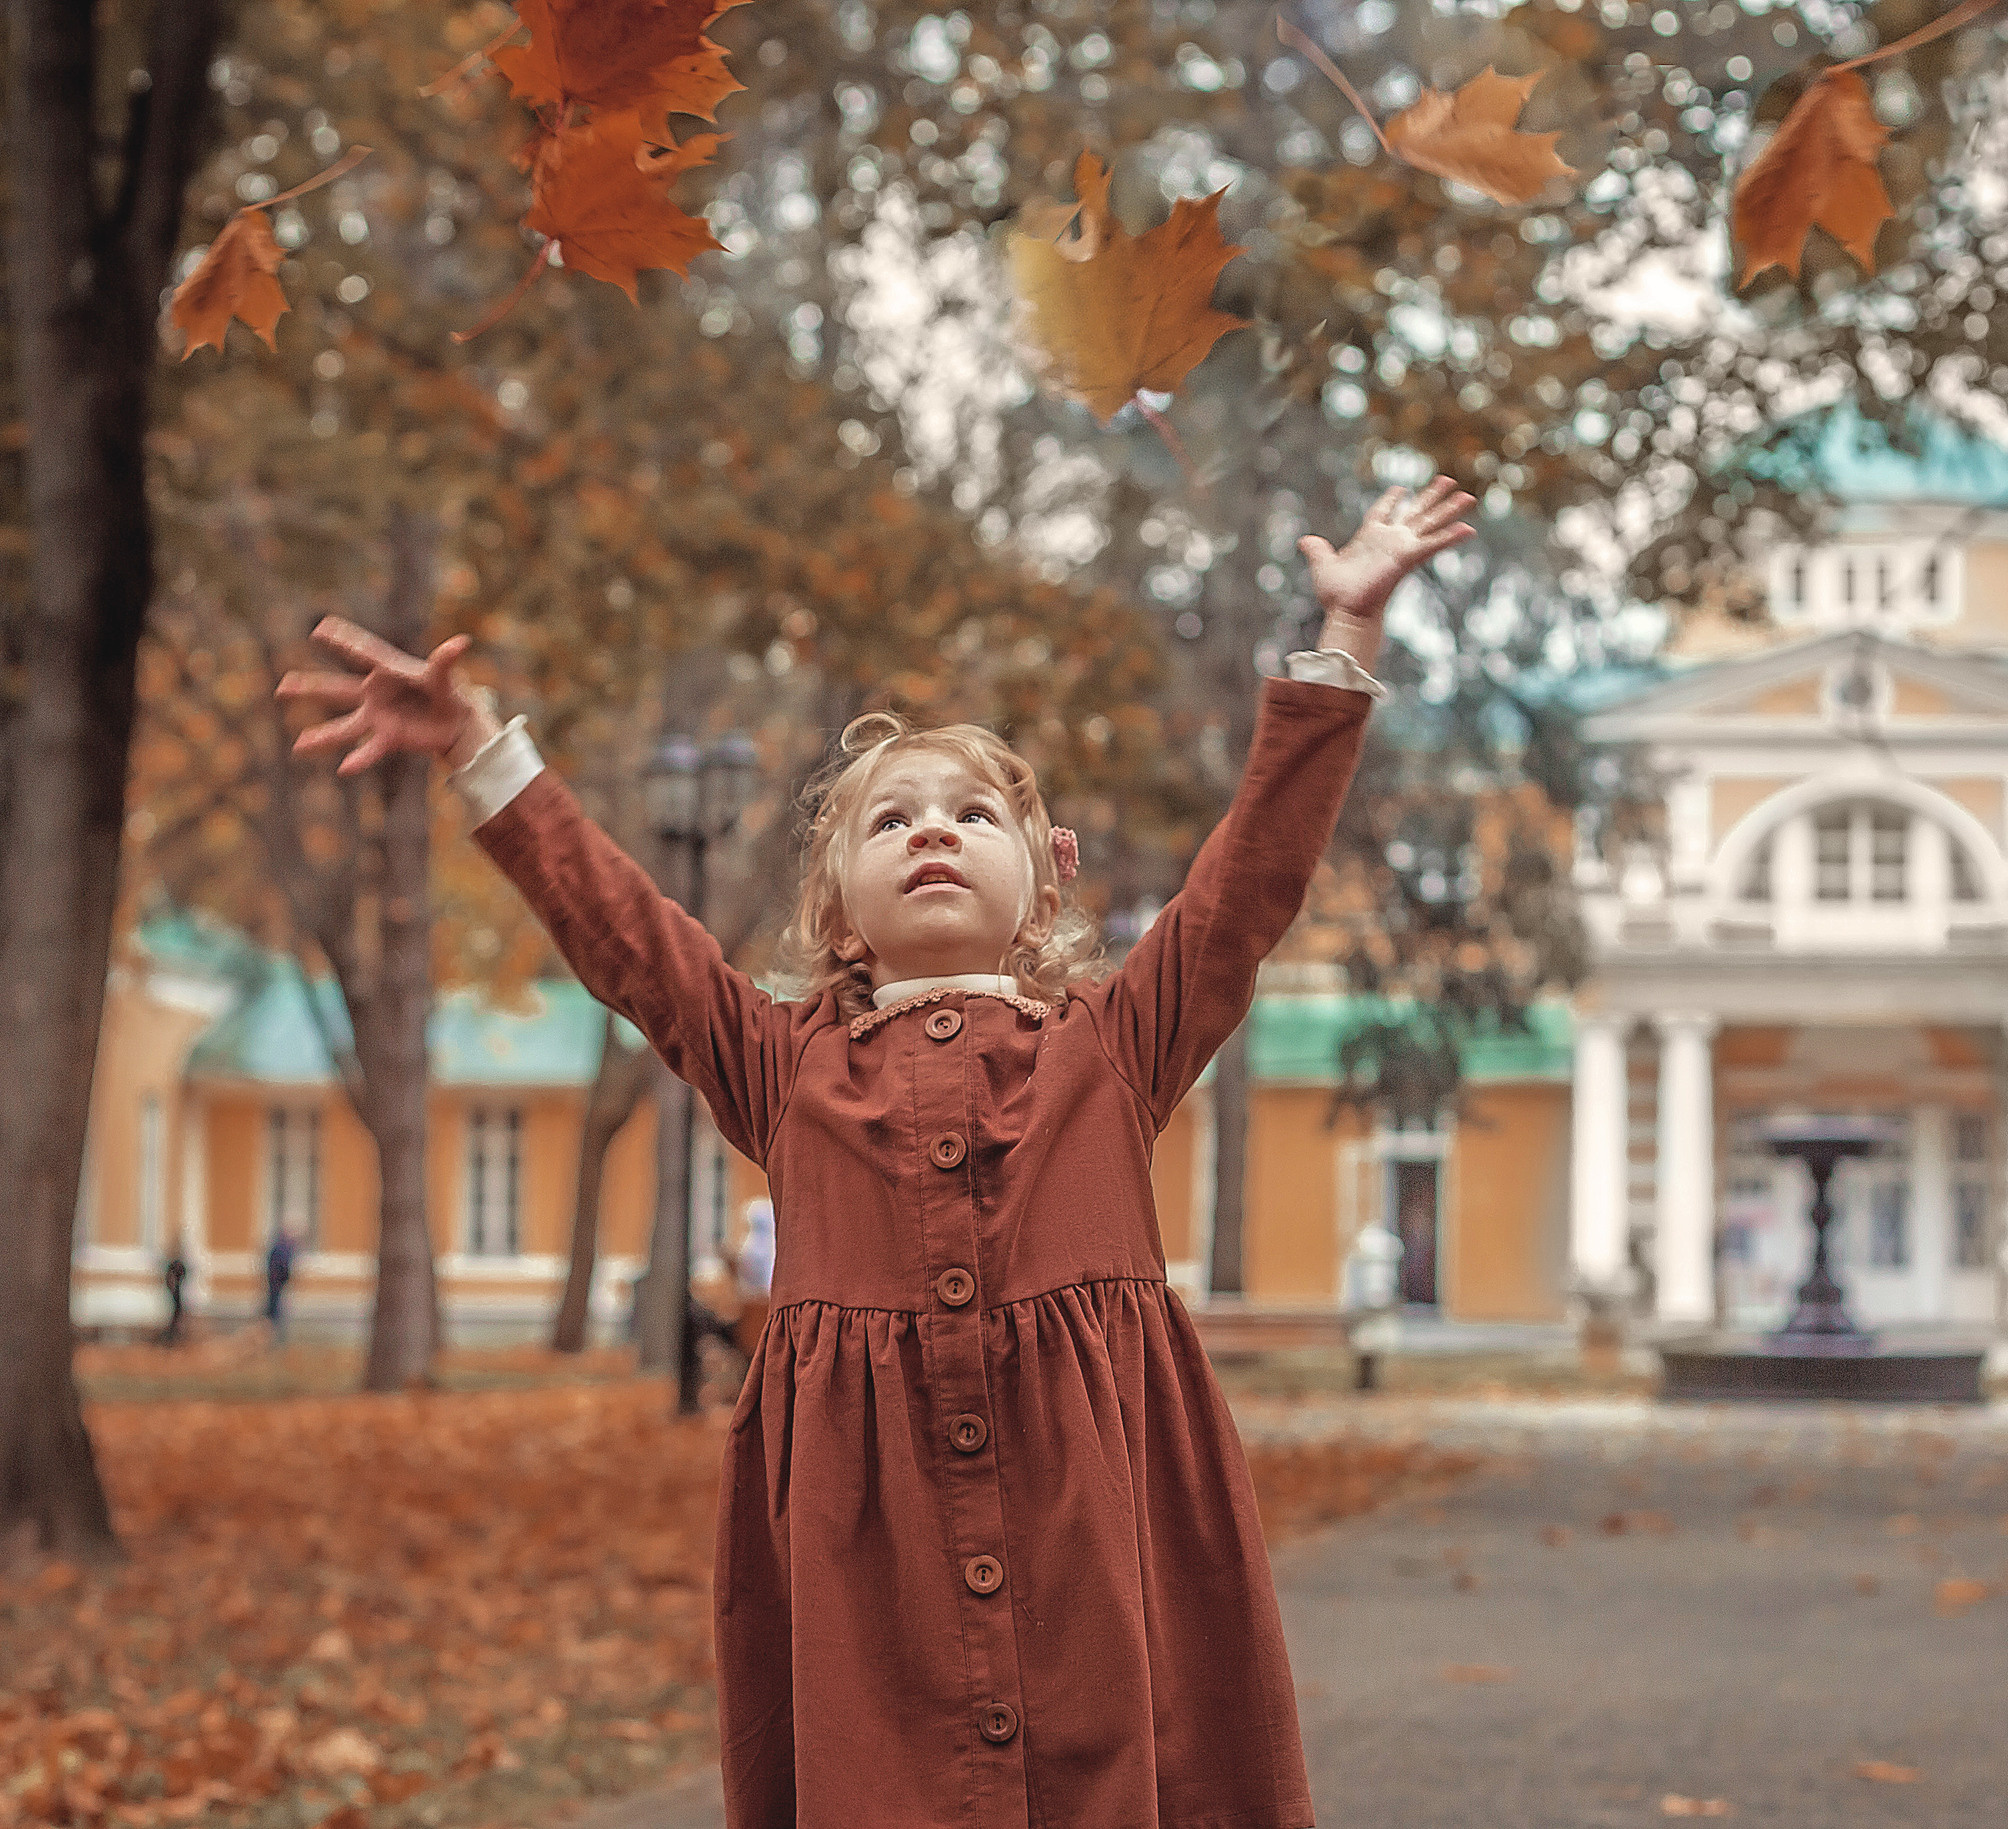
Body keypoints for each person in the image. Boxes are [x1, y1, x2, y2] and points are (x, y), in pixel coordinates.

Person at [276, 476, 1474, 1829]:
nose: (933, 834)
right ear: (835, 900)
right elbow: (628, 939)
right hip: (873, 1567)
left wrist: (1343, 645)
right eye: (890, 821)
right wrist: (482, 753)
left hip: (1100, 1543)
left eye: (972, 814)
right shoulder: (784, 1066)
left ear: (1048, 871)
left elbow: (1252, 878)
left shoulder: (1114, 1041)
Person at [263, 1227, 297, 1345]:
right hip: (277, 1282)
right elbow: (281, 1265)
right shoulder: (281, 1248)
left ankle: (271, 1332)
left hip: (277, 1282)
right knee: (275, 1309)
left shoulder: (280, 1248)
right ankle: (271, 1334)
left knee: (275, 1307)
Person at [161, 1249, 189, 1349]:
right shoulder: (173, 1266)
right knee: (175, 1313)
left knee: (177, 1312)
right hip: (173, 1296)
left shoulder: (178, 1293)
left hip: (177, 1295)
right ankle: (172, 1337)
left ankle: (174, 1336)